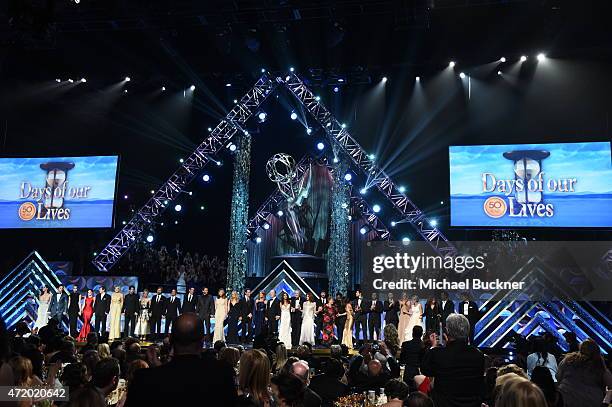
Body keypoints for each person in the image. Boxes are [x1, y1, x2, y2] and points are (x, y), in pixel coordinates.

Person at [126, 313, 237, 405]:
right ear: (202, 341)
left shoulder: (143, 379)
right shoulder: (222, 374)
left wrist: (157, 370)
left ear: (170, 339)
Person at [421, 314, 484, 407]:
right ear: (468, 331)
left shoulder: (438, 354)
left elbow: (425, 369)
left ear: (446, 332)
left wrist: (433, 347)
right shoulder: (478, 355)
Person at [556, 338, 612, 407]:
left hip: (565, 399)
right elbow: (610, 386)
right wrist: (605, 403)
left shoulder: (568, 360)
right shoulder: (600, 365)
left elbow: (558, 376)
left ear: (580, 348)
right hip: (592, 402)